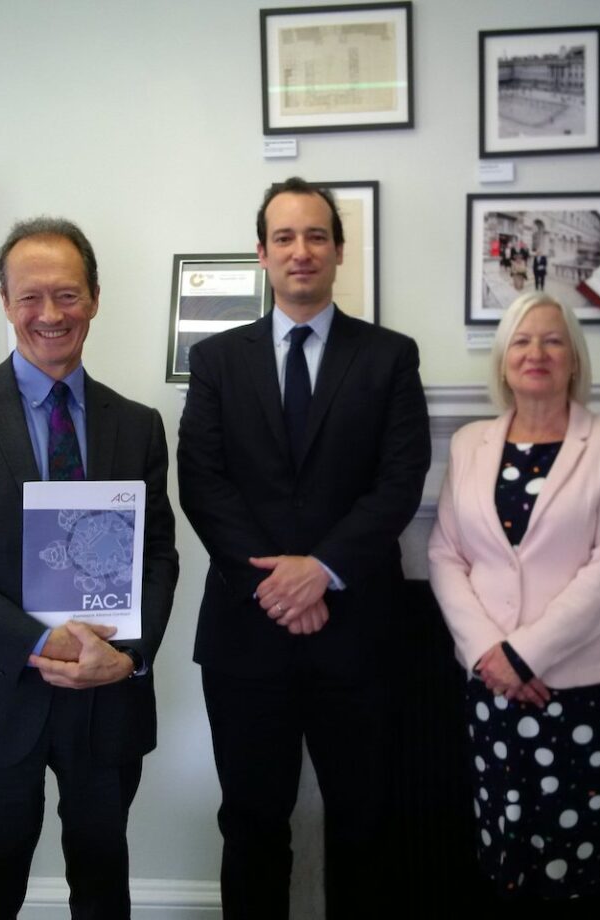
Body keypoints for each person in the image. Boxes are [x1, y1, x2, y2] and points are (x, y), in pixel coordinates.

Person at [0, 217, 179, 920]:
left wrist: (129, 655)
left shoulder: (137, 424)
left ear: (94, 298)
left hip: (105, 699)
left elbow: (157, 555)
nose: (50, 314)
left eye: (67, 294)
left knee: (101, 888)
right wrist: (39, 641)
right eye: (31, 297)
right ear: (5, 302)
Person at [177, 177, 430, 920]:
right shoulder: (217, 359)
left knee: (365, 823)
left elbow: (399, 479)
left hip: (359, 635)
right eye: (284, 237)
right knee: (252, 824)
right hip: (245, 638)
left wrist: (320, 571)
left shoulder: (388, 357)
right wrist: (276, 584)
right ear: (262, 254)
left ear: (339, 252)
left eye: (316, 235)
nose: (301, 251)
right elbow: (204, 482)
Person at [428, 293, 600, 917]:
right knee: (505, 845)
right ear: (502, 361)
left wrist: (526, 655)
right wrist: (490, 654)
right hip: (490, 683)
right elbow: (445, 553)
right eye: (521, 341)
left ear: (574, 358)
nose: (536, 353)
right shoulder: (470, 443)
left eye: (552, 341)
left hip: (582, 687)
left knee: (575, 854)